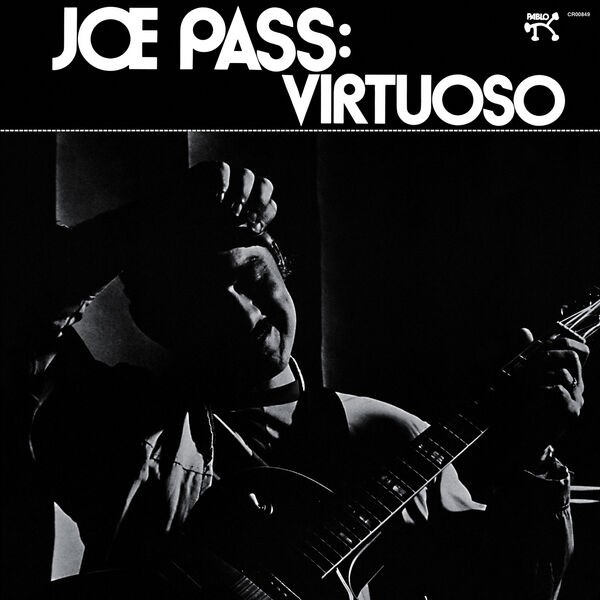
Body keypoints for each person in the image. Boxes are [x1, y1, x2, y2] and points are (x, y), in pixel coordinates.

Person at [24, 162, 588, 600]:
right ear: (158, 323)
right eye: (203, 299)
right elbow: (20, 312)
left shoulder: (391, 435)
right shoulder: (116, 426)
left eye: (254, 278)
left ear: (285, 277)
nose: (245, 313)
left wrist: (533, 462)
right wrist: (144, 221)